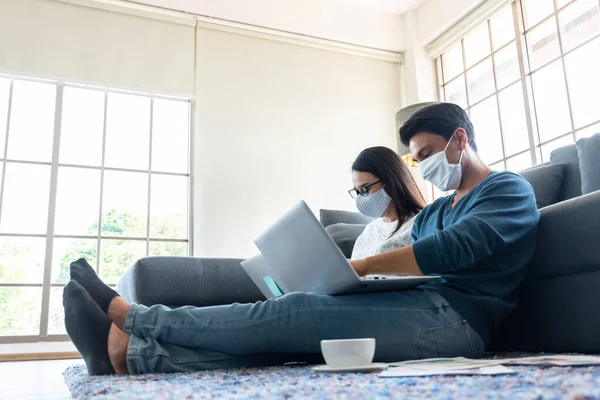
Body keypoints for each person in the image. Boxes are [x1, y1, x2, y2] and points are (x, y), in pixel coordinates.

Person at [63, 103, 539, 375]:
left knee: (295, 311)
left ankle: (135, 318)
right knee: (283, 342)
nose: (425, 165)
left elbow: (458, 249)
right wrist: (346, 278)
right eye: (416, 159)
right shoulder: (437, 209)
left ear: (460, 140)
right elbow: (419, 261)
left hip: (459, 323)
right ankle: (126, 356)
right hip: (423, 303)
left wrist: (361, 269)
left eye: (428, 153)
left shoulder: (508, 189)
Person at [349, 146, 426, 260]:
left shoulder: (421, 224)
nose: (361, 197)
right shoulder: (370, 230)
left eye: (365, 189)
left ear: (390, 182)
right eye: (357, 192)